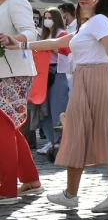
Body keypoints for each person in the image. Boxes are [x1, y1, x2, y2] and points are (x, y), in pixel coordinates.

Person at [6, 0, 108, 211]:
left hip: (100, 79)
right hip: (86, 79)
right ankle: (72, 194)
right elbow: (58, 41)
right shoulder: (89, 24)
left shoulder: (100, 21)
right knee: (76, 134)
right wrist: (20, 45)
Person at [0, 0, 41, 204]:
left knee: (3, 127)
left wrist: (11, 39)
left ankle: (7, 189)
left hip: (13, 73)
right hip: (4, 72)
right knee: (8, 128)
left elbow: (30, 33)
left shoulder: (16, 2)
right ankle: (31, 179)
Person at [35, 8, 68, 156]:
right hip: (43, 73)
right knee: (44, 109)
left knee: (57, 107)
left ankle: (59, 141)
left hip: (57, 72)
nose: (47, 20)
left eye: (50, 18)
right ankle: (51, 140)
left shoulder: (62, 35)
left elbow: (66, 55)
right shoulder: (44, 35)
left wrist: (51, 45)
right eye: (45, 18)